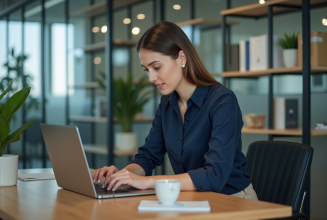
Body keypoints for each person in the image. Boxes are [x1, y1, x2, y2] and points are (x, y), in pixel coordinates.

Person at [92, 21, 258, 200]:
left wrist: (148, 182)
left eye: (156, 67)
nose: (151, 77)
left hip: (233, 199)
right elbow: (148, 156)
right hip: (194, 198)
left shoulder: (223, 101)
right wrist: (123, 175)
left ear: (181, 58)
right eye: (146, 70)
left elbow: (215, 175)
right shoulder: (167, 104)